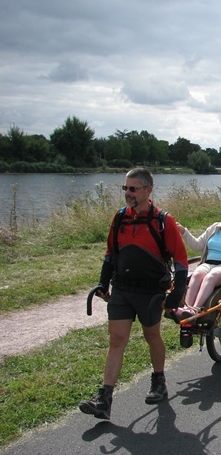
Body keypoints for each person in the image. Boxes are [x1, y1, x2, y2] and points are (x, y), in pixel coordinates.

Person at [79, 168, 189, 420]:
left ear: (148, 190)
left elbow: (181, 261)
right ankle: (104, 399)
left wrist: (176, 294)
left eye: (133, 189)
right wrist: (102, 283)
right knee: (117, 339)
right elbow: (111, 253)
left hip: (151, 292)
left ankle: (159, 380)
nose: (127, 193)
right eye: (125, 188)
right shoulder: (120, 218)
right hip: (123, 289)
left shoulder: (163, 220)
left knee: (152, 337)